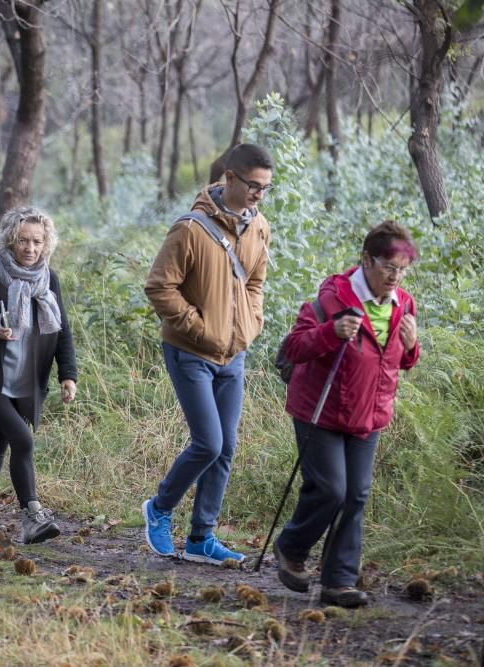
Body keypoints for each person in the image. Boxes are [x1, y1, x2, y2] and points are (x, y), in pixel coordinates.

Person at [273, 221, 419, 608]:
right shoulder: (332, 298)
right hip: (319, 409)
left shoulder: (403, 303)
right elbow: (294, 347)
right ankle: (291, 547)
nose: (395, 276)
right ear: (366, 260)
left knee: (356, 495)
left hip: (369, 413)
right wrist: (331, 332)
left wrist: (412, 345)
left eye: (402, 269)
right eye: (389, 266)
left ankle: (338, 582)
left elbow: (399, 362)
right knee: (331, 489)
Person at [142, 143, 273, 565]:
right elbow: (160, 287)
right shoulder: (190, 229)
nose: (259, 194)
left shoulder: (259, 227)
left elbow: (255, 281)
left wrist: (250, 323)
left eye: (266, 188)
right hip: (190, 352)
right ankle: (159, 509)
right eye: (253, 186)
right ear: (229, 179)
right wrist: (199, 329)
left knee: (227, 446)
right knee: (208, 443)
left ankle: (201, 538)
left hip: (233, 355)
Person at [0, 206, 77, 544]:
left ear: (46, 244)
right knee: (23, 440)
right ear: (10, 240)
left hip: (26, 383)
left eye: (37, 242)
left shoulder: (49, 280)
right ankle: (32, 516)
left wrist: (68, 374)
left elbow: (62, 331)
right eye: (23, 240)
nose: (30, 248)